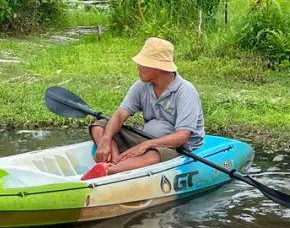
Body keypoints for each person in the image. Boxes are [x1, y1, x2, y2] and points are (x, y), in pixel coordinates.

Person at [87, 36, 205, 176]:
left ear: (157, 68)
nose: (138, 68)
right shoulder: (141, 86)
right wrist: (106, 140)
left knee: (155, 155)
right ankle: (114, 160)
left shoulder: (185, 91)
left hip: (177, 147)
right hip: (147, 137)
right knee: (100, 126)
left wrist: (145, 145)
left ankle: (109, 171)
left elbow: (182, 137)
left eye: (143, 65)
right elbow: (120, 115)